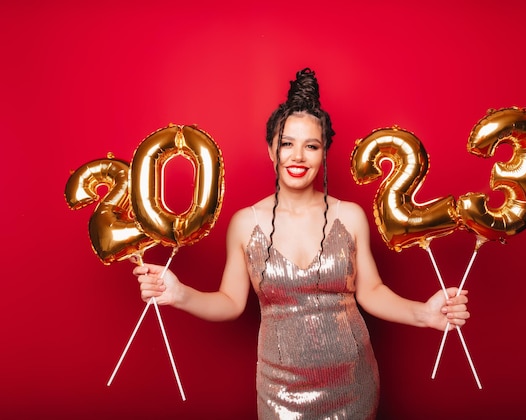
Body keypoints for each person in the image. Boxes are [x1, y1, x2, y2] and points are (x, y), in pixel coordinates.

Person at [133, 68, 469, 419]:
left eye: (311, 146)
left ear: (324, 152)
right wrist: (178, 293)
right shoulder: (245, 223)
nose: (298, 156)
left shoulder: (350, 216)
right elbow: (231, 303)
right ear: (271, 150)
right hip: (280, 390)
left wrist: (425, 314)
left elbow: (371, 291)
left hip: (353, 382)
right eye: (287, 144)